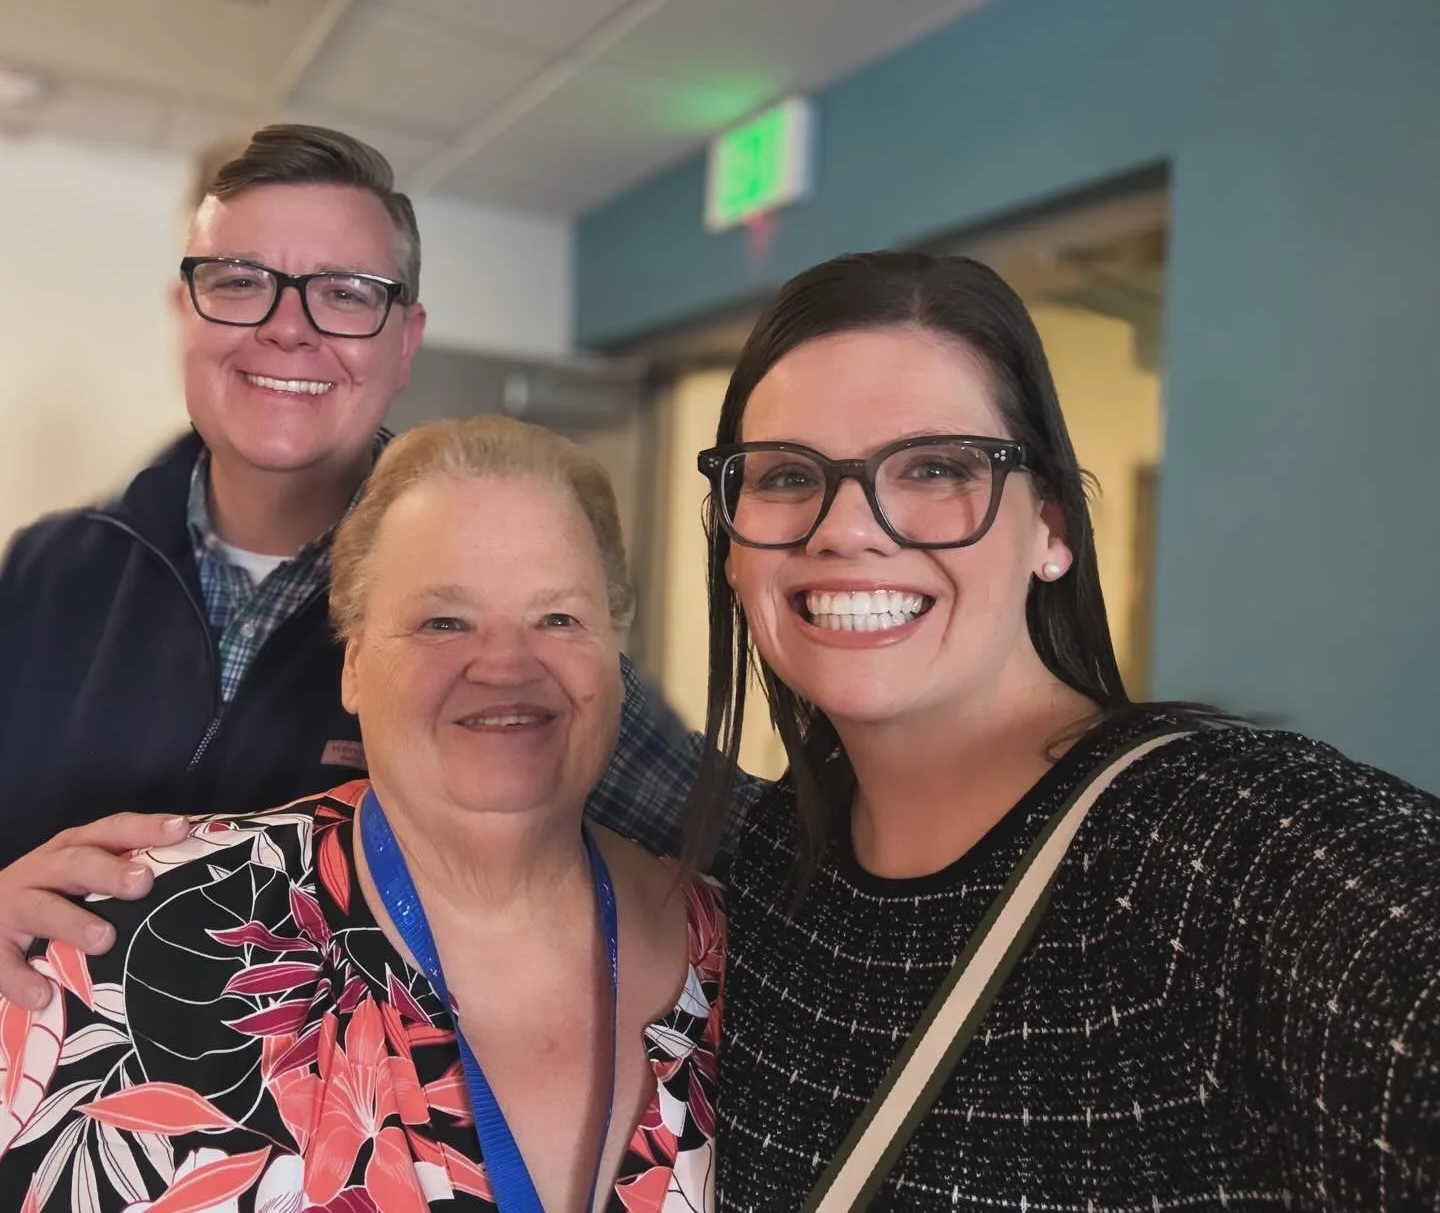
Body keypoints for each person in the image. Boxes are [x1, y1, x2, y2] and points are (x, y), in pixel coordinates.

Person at [690, 251, 1440, 1209]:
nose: (845, 528)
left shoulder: (1218, 845)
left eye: (934, 467)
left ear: (1052, 526)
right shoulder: (767, 859)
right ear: (732, 545)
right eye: (788, 475)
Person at [0, 124, 738, 1012]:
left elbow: (747, 854)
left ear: (405, 340)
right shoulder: (48, 574)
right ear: (185, 310)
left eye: (345, 294)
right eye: (239, 282)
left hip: (367, 1091)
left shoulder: (492, 609)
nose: (287, 329)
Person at [0, 414, 724, 1212]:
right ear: (352, 667)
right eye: (443, 620)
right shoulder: (116, 946)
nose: (506, 663)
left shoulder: (741, 963)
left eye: (558, 617)